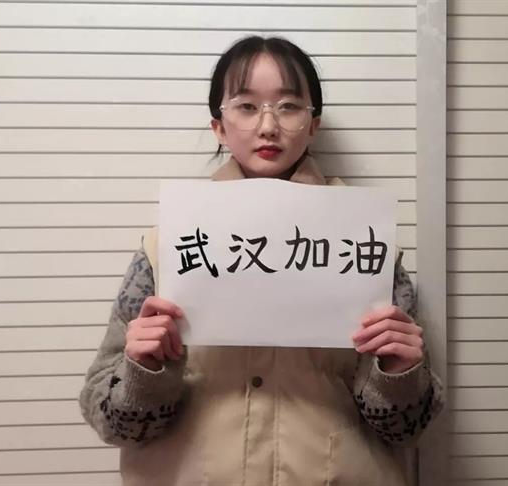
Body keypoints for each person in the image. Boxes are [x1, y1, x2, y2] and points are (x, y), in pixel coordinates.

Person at [80, 35, 444, 486]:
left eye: (289, 106)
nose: (268, 125)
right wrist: (145, 371)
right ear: (219, 125)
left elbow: (407, 429)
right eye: (247, 106)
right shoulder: (167, 245)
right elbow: (111, 422)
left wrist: (399, 373)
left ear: (313, 124)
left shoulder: (364, 241)